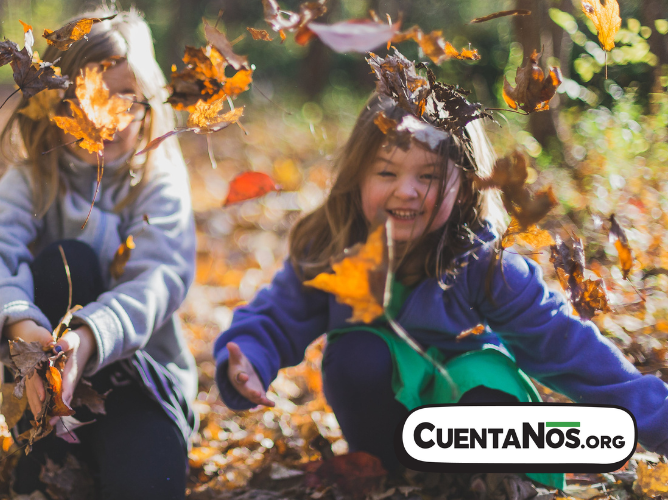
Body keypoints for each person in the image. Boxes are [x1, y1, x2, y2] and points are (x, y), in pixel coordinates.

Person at [213, 56, 668, 490]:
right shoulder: (335, 246)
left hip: (470, 408)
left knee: (484, 387)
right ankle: (394, 470)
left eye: (428, 176)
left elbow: (566, 346)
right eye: (386, 172)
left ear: (466, 184)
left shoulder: (485, 264)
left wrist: (659, 422)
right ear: (358, 175)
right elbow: (278, 315)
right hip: (389, 425)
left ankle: (497, 475)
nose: (405, 191)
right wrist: (250, 357)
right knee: (357, 355)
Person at [0, 8, 195, 499]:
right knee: (68, 260)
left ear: (147, 100)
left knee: (149, 485)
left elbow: (160, 279)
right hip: (45, 388)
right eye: (85, 95)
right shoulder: (32, 181)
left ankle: (128, 448)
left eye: (123, 96)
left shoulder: (157, 184)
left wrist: (90, 338)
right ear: (52, 102)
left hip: (140, 385)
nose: (104, 114)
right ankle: (48, 445)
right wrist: (21, 327)